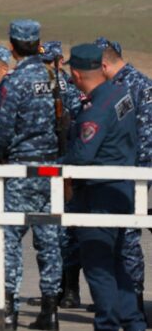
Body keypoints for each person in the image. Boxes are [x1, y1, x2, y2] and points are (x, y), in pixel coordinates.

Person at [63, 43, 146, 331]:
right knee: (118, 263)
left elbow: (81, 156)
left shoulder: (96, 109)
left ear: (76, 73)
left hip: (99, 194)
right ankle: (133, 322)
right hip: (121, 188)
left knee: (98, 267)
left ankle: (108, 325)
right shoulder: (119, 92)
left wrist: (57, 163)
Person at [0, 19, 61, 330]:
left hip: (21, 165)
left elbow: (4, 127)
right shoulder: (53, 76)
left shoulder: (15, 81)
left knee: (9, 239)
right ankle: (51, 311)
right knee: (49, 238)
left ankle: (9, 311)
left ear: (13, 45)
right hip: (50, 166)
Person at [95, 37, 152, 324]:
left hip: (133, 174)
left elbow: (145, 139)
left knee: (127, 240)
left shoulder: (136, 85)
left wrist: (131, 176)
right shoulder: (126, 84)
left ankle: (134, 304)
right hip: (126, 172)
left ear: (104, 64)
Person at [38, 40, 85, 309]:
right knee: (48, 231)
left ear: (58, 62)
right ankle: (54, 289)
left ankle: (70, 288)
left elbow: (77, 123)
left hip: (62, 164)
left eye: (50, 62)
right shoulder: (39, 87)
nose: (47, 67)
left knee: (65, 232)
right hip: (45, 163)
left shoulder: (66, 88)